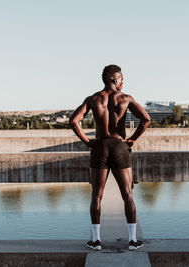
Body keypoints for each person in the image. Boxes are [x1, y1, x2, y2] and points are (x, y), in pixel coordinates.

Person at [69, 64, 150, 251]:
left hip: (100, 147)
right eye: (122, 78)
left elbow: (74, 121)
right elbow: (146, 119)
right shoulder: (125, 99)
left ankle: (96, 241)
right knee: (127, 194)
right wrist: (133, 140)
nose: (123, 81)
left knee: (96, 195)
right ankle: (132, 241)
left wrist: (87, 142)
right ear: (115, 79)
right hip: (119, 146)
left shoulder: (93, 99)